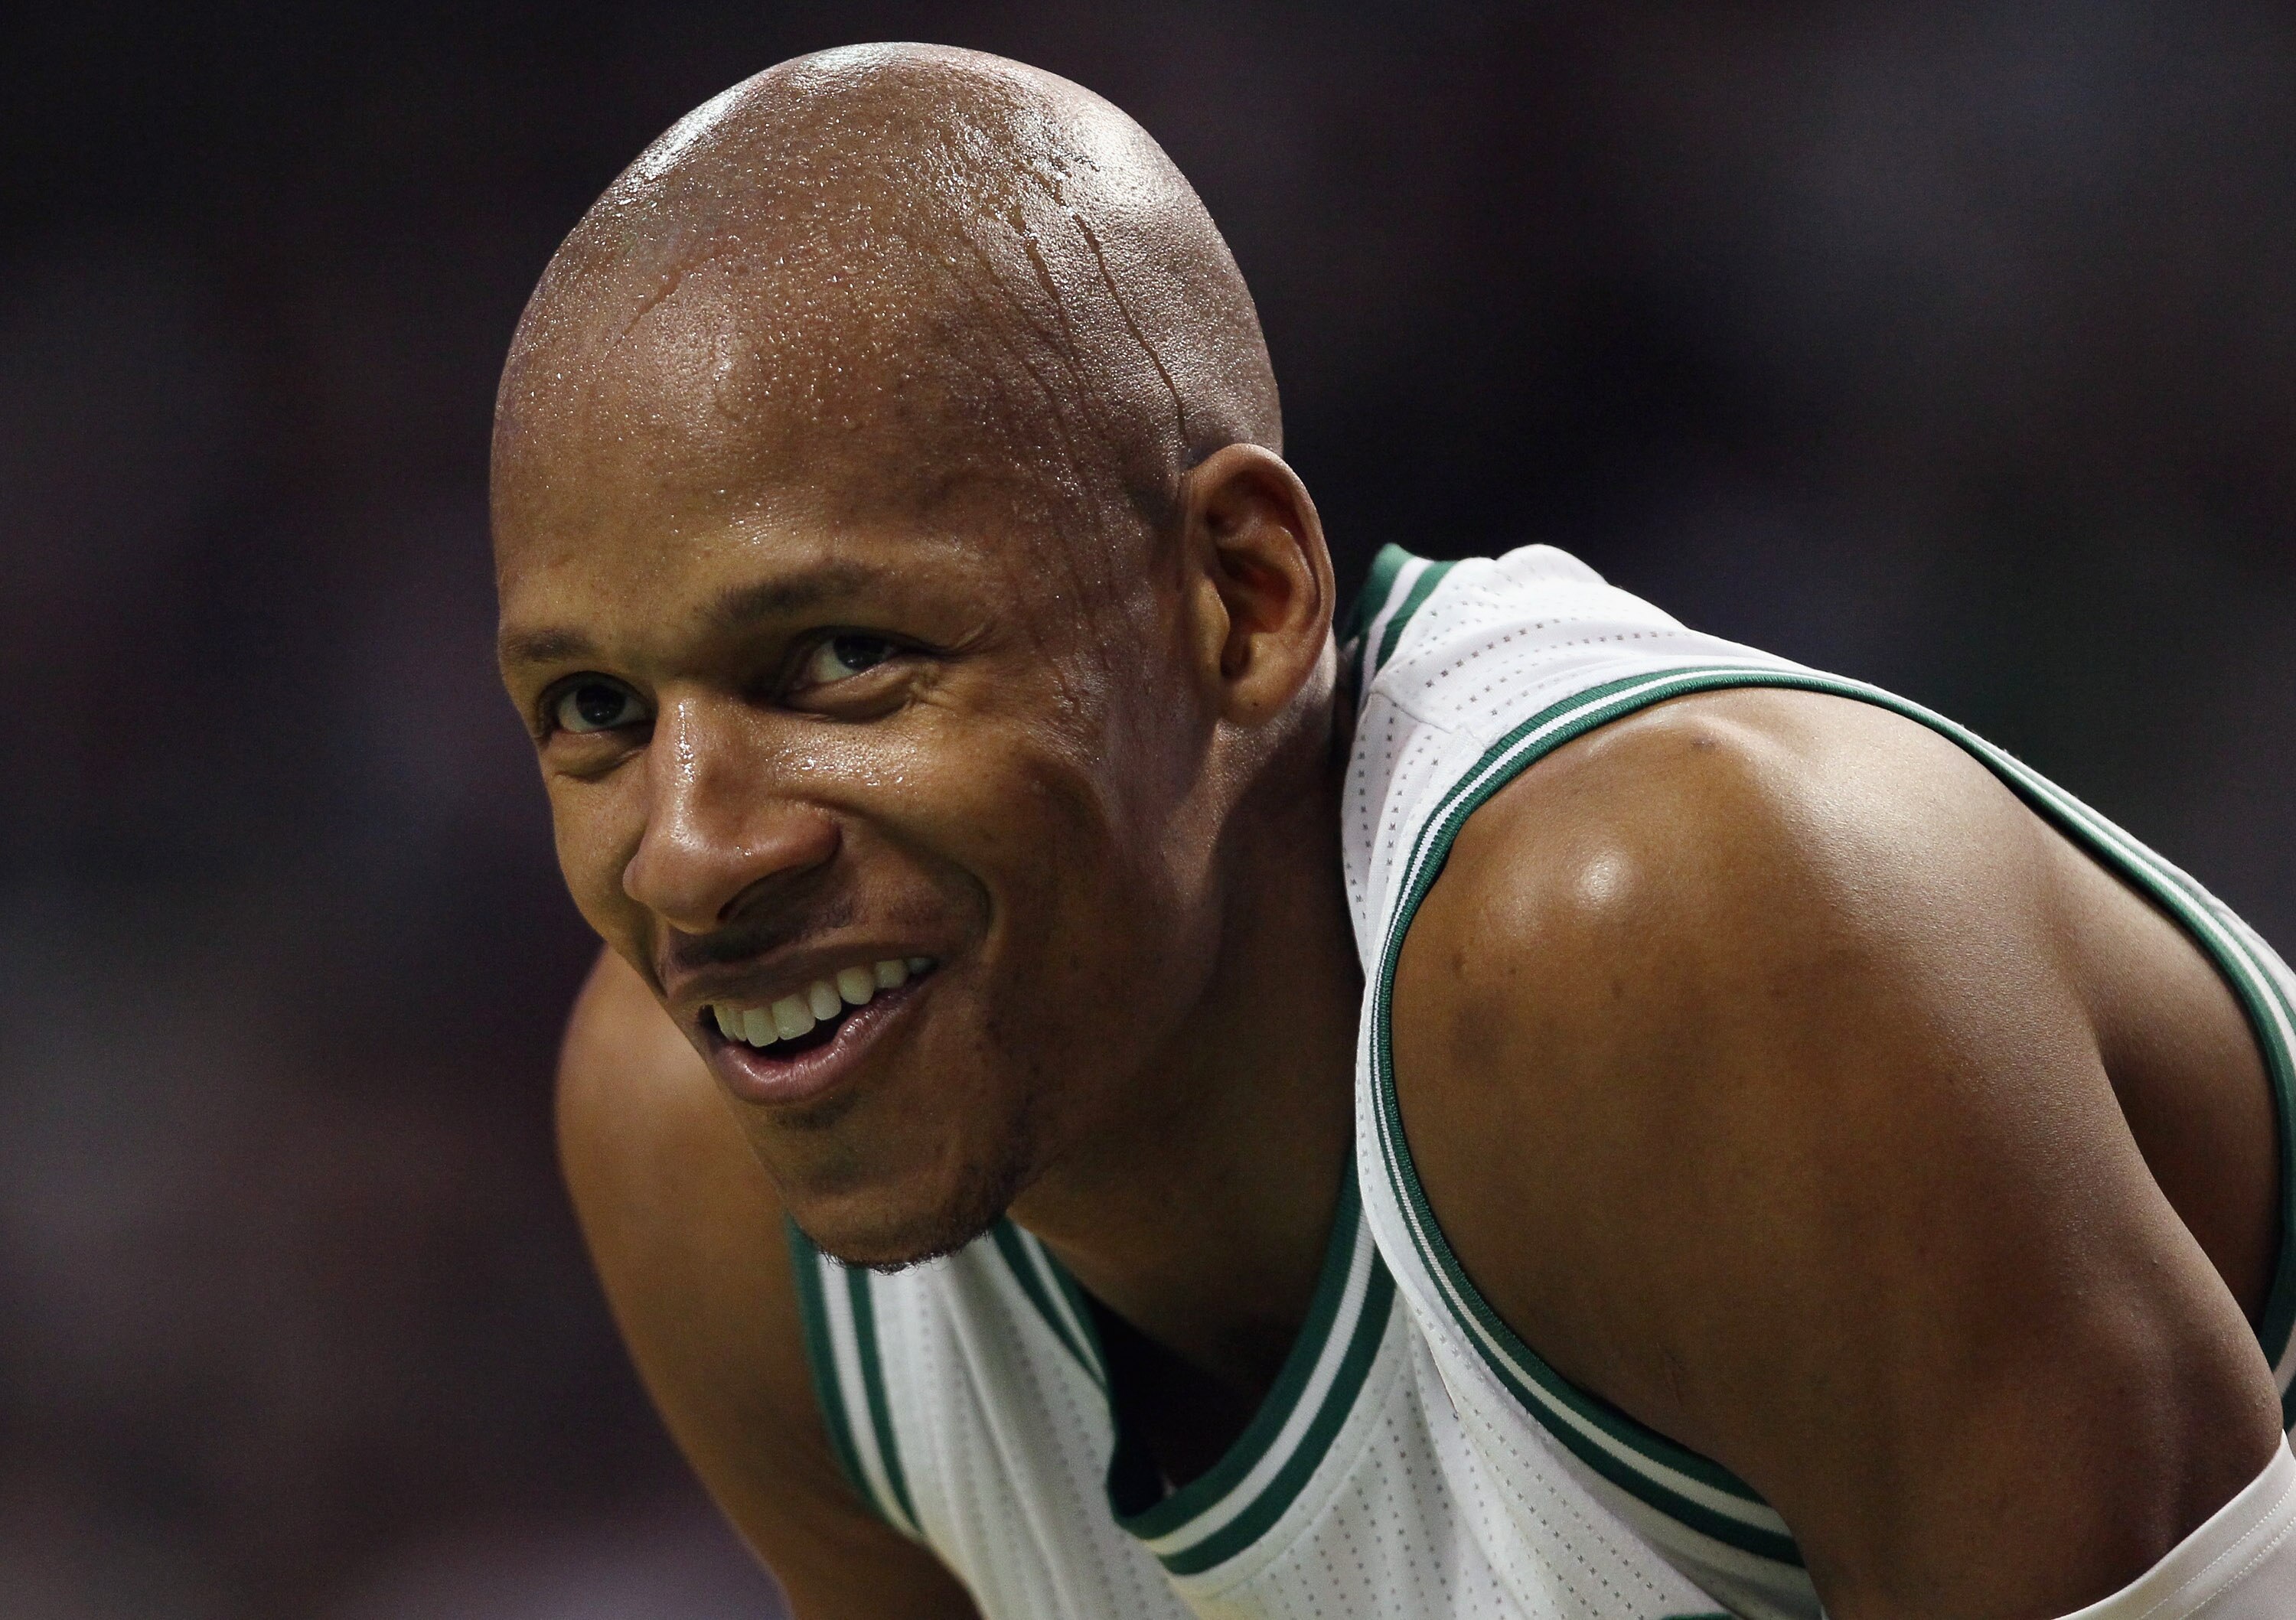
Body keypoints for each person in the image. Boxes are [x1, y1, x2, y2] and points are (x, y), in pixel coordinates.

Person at [490, 43, 2296, 1620]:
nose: (692, 858)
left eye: (842, 659)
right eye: (596, 712)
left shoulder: (1679, 940)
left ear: (1243, 600)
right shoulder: (705, 1169)